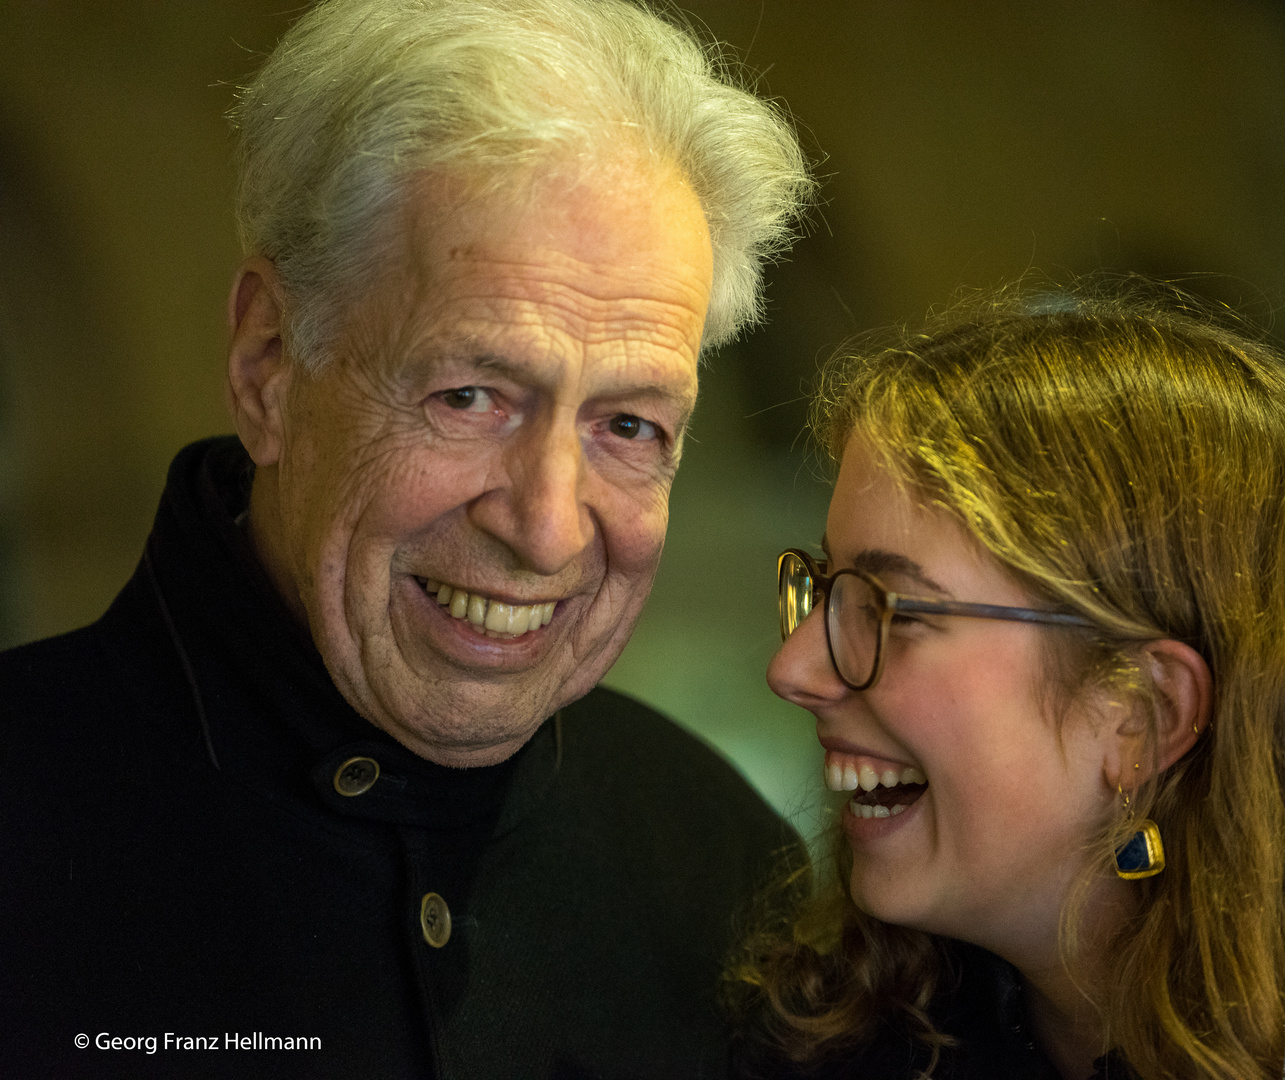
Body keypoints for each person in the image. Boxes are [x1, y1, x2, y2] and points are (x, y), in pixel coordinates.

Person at [0, 1, 811, 1076]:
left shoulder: (720, 861)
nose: (546, 524)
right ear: (268, 365)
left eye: (628, 426)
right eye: (470, 395)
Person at [727, 286, 1285, 1079]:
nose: (794, 667)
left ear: (1147, 714)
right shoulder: (828, 1045)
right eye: (823, 588)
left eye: (891, 608)